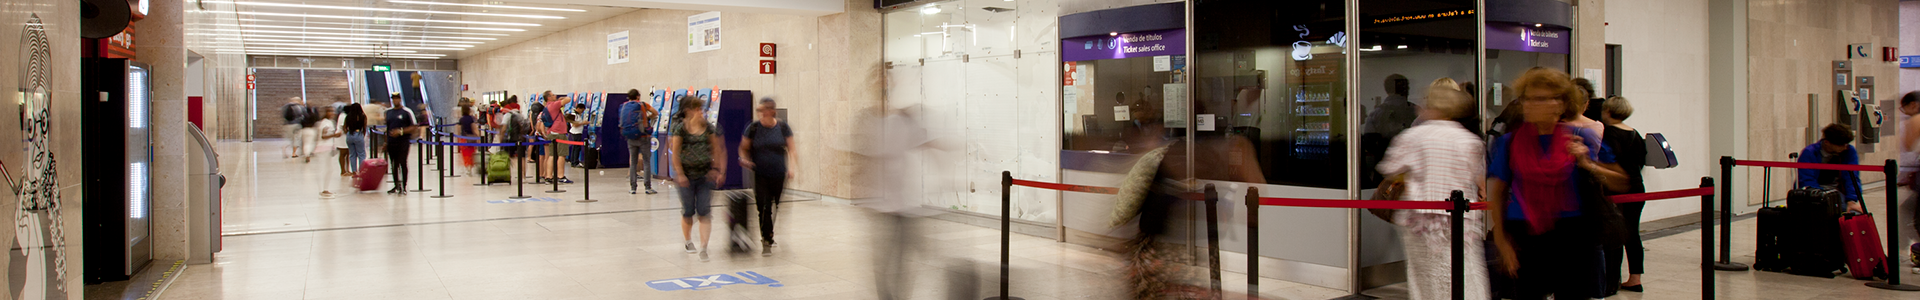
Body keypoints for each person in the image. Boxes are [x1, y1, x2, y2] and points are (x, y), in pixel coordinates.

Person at [1486, 68, 1630, 300]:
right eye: (1527, 99)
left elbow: (1621, 182)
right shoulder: (1510, 142)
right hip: (1525, 233)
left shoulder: (1580, 137)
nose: (1531, 105)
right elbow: (1499, 191)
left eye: (1540, 99)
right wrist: (1502, 242)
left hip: (1572, 234)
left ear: (1561, 104)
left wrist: (1586, 162)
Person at [1376, 78, 1488, 300]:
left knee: (1424, 274)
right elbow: (1477, 175)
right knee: (1465, 270)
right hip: (1460, 219)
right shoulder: (1469, 140)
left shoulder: (1413, 136)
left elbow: (1389, 167)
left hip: (1420, 219)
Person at [1598, 96, 1650, 294]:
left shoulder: (1610, 132)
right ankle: (1635, 277)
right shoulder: (1634, 133)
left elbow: (1609, 159)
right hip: (1637, 185)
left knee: (1616, 233)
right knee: (1632, 232)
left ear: (1608, 112)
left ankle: (1612, 279)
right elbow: (1641, 159)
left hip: (1619, 189)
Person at [668, 96, 725, 262]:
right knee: (688, 210)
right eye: (698, 109)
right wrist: (680, 173)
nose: (702, 112)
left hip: (704, 174)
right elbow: (676, 153)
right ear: (689, 111)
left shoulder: (708, 128)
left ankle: (704, 247)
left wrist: (717, 169)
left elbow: (716, 149)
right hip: (685, 176)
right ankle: (688, 241)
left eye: (702, 109)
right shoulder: (681, 129)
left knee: (704, 211)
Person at [739, 98, 795, 257]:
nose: (761, 114)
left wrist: (792, 168)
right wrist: (744, 159)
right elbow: (743, 148)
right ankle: (767, 237)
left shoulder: (783, 128)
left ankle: (768, 232)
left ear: (772, 111)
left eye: (763, 110)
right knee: (763, 205)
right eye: (759, 111)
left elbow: (792, 149)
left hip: (778, 173)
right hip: (760, 173)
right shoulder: (753, 128)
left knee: (776, 204)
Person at [1798, 123, 1867, 215]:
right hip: (1815, 193)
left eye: (1846, 144)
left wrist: (1851, 200)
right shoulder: (1810, 153)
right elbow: (1807, 180)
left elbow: (1852, 177)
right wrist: (1822, 198)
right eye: (1841, 145)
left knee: (1855, 214)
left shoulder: (1849, 151)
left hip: (1837, 192)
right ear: (1827, 142)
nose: (1845, 147)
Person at [620, 89, 660, 194]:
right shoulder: (643, 104)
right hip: (643, 136)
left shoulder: (624, 105)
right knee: (646, 162)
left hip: (630, 137)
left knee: (633, 162)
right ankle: (647, 187)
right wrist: (647, 117)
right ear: (638, 96)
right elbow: (656, 113)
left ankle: (633, 188)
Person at [1898, 91, 1920, 272]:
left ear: (1913, 105)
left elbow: (1908, 145)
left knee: (1913, 214)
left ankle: (1905, 250)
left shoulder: (1915, 120)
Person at [384, 94, 420, 195]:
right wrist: (386, 142)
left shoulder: (406, 112)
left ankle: (404, 186)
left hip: (402, 141)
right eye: (393, 99)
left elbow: (414, 126)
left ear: (400, 99)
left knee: (402, 162)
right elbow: (387, 128)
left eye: (397, 99)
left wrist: (400, 132)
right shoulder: (388, 112)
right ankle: (396, 185)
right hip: (392, 142)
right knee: (394, 164)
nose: (395, 101)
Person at [544, 94, 573, 184]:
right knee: (562, 155)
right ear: (548, 97)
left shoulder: (547, 106)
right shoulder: (554, 105)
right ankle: (560, 176)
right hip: (559, 133)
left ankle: (548, 176)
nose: (555, 95)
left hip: (552, 132)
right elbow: (569, 99)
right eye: (552, 95)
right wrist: (562, 99)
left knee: (552, 155)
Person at [342, 103, 368, 176]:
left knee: (352, 154)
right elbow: (364, 127)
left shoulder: (348, 116)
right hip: (358, 133)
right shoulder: (362, 116)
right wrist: (363, 135)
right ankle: (361, 171)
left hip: (350, 134)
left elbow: (344, 127)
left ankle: (354, 172)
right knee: (361, 154)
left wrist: (347, 133)